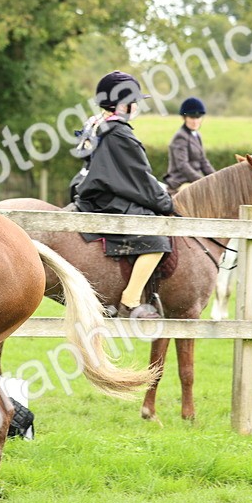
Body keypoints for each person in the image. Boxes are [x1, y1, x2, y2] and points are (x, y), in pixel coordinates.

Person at [75, 71, 172, 320]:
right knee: (158, 240)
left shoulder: (96, 124)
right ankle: (130, 300)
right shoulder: (119, 132)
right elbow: (140, 177)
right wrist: (165, 202)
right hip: (107, 200)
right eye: (134, 102)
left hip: (90, 193)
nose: (136, 107)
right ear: (122, 104)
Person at [163, 97, 214, 192]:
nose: (195, 121)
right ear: (184, 118)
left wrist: (216, 177)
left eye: (198, 117)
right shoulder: (180, 137)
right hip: (181, 182)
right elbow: (182, 165)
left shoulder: (197, 135)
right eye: (192, 117)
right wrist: (202, 181)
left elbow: (203, 162)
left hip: (193, 181)